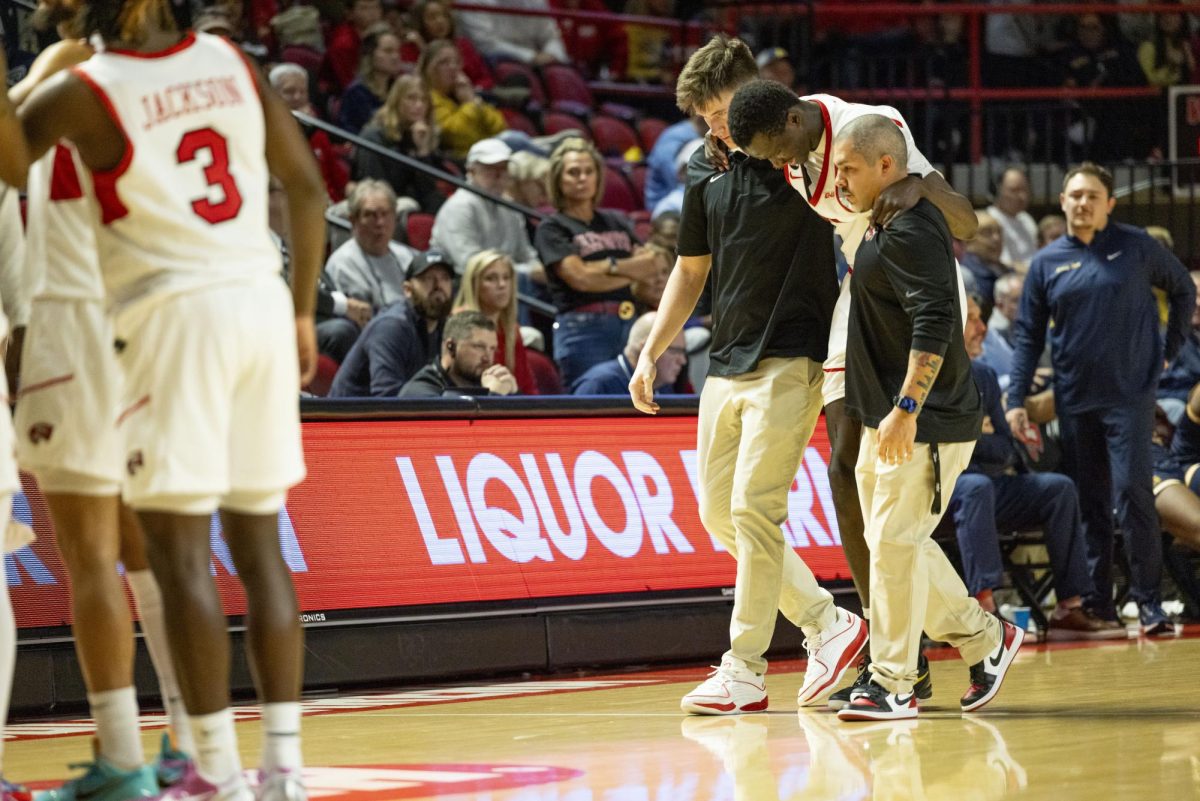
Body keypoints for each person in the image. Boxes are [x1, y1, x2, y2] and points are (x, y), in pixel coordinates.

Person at [5, 2, 330, 796]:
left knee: (163, 552)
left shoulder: (86, 85)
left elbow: (13, 162)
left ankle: (195, 765)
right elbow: (309, 186)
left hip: (154, 315)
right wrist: (301, 308)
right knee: (255, 552)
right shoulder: (228, 58)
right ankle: (278, 769)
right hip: (256, 294)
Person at [629, 36, 866, 716]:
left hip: (793, 355)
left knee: (755, 511)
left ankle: (746, 666)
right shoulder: (704, 173)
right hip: (726, 360)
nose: (713, 126)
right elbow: (691, 269)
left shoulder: (801, 158)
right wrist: (651, 350)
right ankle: (829, 622)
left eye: (718, 110)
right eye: (703, 117)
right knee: (718, 513)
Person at [725, 76, 978, 708]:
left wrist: (921, 185)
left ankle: (901, 662)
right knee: (848, 470)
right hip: (861, 291)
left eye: (771, 150)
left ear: (791, 121)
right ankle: (922, 642)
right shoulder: (792, 154)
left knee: (891, 502)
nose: (775, 166)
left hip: (914, 291)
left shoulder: (870, 128)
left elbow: (966, 221)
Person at [8, 30, 193, 799]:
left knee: (92, 556)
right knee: (151, 552)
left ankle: (121, 762)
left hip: (78, 322)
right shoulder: (186, 84)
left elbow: (4, 151)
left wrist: (41, 72)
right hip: (157, 317)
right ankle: (195, 746)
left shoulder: (66, 86)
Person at [826, 115, 1021, 722]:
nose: (839, 182)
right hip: (884, 413)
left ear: (888, 166)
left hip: (927, 417)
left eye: (849, 169)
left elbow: (937, 321)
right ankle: (987, 639)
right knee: (899, 544)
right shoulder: (882, 219)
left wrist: (908, 408)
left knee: (891, 542)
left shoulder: (911, 226)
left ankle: (893, 681)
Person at [1006, 162, 1194, 637]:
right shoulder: (1047, 263)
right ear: (1064, 201)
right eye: (1075, 195)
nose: (1082, 202)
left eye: (1092, 195)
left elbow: (1183, 289)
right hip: (1075, 399)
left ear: (1109, 203)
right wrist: (1014, 399)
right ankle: (1099, 604)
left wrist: (1166, 353)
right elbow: (1028, 336)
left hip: (1130, 396)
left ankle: (1150, 604)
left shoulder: (1135, 246)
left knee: (1133, 493)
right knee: (1091, 500)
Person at [950, 295, 1122, 640]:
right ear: (949, 325)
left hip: (988, 484)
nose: (983, 328)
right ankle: (985, 614)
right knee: (976, 486)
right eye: (972, 320)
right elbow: (945, 447)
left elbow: (1006, 448)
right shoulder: (929, 377)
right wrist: (978, 439)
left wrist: (974, 440)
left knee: (1057, 488)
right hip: (943, 490)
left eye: (982, 318)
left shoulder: (982, 375)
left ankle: (1068, 609)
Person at [537, 138, 668, 386]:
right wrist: (626, 268)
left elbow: (650, 264)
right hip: (583, 329)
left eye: (589, 171)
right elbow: (580, 279)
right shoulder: (552, 227)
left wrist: (606, 269)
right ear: (558, 179)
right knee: (590, 403)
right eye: (573, 172)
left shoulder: (615, 221)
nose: (582, 178)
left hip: (630, 321)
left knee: (636, 401)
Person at [329, 250, 455, 397]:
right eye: (428, 278)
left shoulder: (444, 326)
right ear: (407, 290)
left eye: (445, 278)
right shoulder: (391, 327)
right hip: (353, 417)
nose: (438, 285)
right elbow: (387, 396)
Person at [430, 138, 543, 279]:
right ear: (471, 171)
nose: (499, 176)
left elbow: (525, 254)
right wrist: (528, 272)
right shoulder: (459, 207)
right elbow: (470, 264)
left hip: (507, 281)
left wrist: (538, 269)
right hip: (465, 285)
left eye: (504, 168)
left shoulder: (509, 205)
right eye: (491, 169)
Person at [353, 74, 446, 213]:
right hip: (380, 205)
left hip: (414, 206)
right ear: (396, 101)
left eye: (424, 100)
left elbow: (429, 194)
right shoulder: (374, 136)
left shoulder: (422, 136)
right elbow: (375, 185)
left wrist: (423, 152)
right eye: (411, 98)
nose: (419, 105)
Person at [325, 180, 423, 310]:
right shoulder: (341, 265)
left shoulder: (409, 256)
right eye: (371, 215)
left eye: (385, 214)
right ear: (353, 220)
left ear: (395, 217)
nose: (380, 223)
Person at [454, 249, 537, 394]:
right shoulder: (458, 325)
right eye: (491, 278)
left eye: (506, 278)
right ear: (474, 284)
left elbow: (526, 386)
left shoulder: (511, 328)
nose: (502, 285)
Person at [268, 63, 349, 202]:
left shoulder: (317, 132)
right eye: (289, 92)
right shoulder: (267, 134)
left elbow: (339, 180)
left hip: (332, 204)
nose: (298, 97)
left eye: (303, 91)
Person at [420, 39, 507, 160]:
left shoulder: (463, 93)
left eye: (456, 62)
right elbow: (459, 137)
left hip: (490, 152)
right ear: (429, 69)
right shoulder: (426, 100)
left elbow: (500, 126)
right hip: (465, 159)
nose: (453, 67)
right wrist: (470, 104)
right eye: (444, 62)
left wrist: (472, 100)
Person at [400, 310, 519, 396]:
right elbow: (462, 428)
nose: (487, 358)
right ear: (450, 347)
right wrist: (493, 396)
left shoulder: (486, 383)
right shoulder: (419, 392)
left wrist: (515, 394)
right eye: (479, 347)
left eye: (492, 348)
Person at [574, 311, 682, 394]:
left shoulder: (662, 386)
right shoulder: (597, 385)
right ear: (645, 347)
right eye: (675, 351)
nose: (682, 360)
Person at [403, 0, 493, 89]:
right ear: (420, 22)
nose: (440, 21)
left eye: (444, 16)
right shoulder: (411, 48)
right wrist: (423, 48)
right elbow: (417, 84)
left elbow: (485, 78)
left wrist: (476, 90)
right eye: (432, 17)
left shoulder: (463, 44)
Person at [455, 0, 568, 66]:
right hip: (494, 63)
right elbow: (486, 44)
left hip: (541, 61)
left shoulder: (537, 1)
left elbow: (551, 36)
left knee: (562, 74)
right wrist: (532, 57)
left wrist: (552, 55)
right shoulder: (472, 1)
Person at [337, 26, 406, 134]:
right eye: (388, 51)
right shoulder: (357, 92)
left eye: (397, 51)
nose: (395, 56)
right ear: (370, 54)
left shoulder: (398, 88)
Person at [958, 210, 1013, 316]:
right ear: (968, 239)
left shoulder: (1004, 268)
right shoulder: (967, 274)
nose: (996, 238)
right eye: (987, 233)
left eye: (999, 232)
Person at [986, 167, 1039, 267]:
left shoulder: (1026, 219)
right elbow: (1002, 263)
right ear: (997, 191)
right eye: (1014, 190)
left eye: (1025, 190)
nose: (1022, 196)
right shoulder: (990, 220)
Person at [327, 0, 385, 89]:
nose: (372, 13)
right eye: (364, 8)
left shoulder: (382, 35)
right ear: (350, 14)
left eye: (376, 7)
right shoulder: (343, 44)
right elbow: (350, 85)